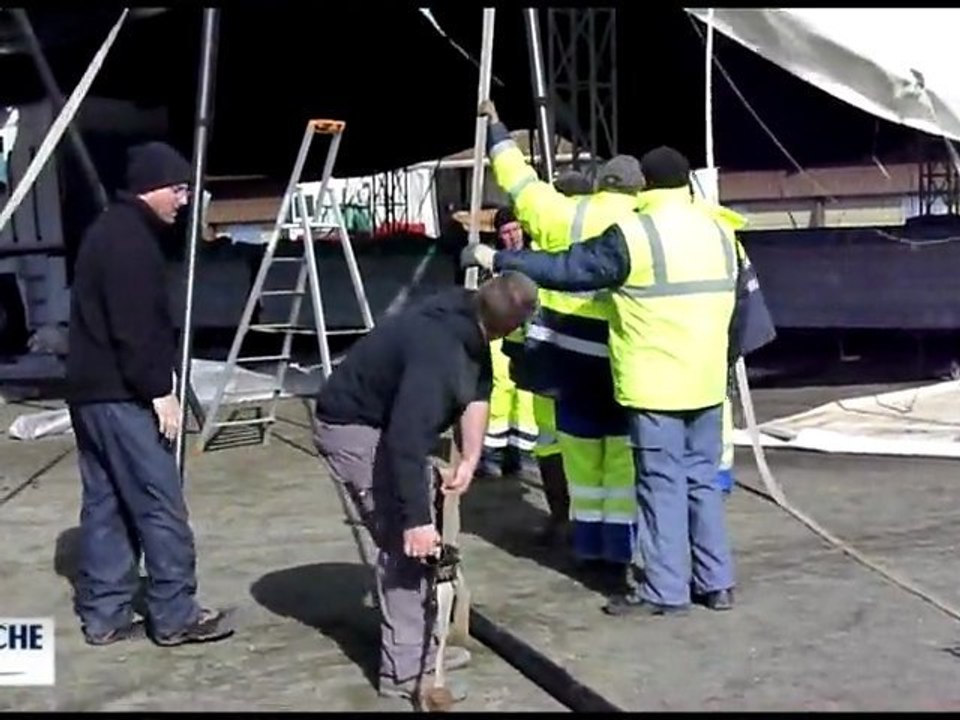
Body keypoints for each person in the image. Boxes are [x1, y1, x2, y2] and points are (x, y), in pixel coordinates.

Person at [463, 145, 775, 615]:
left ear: (645, 186)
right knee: (702, 483)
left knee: (660, 486)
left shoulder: (636, 234)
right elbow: (743, 309)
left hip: (656, 387)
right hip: (708, 384)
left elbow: (565, 270)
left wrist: (497, 259)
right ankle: (716, 583)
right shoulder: (720, 231)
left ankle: (664, 591)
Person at [312, 272, 539, 703]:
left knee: (418, 538)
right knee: (407, 547)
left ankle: (421, 646)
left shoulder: (468, 314)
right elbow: (406, 441)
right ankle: (405, 671)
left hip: (386, 421)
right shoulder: (438, 354)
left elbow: (479, 388)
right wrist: (415, 521)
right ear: (506, 327)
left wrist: (471, 455)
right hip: (353, 427)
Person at [65, 141, 235, 646]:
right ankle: (175, 613)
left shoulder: (108, 233)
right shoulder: (130, 243)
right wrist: (160, 390)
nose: (184, 199)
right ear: (150, 188)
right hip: (123, 395)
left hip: (91, 394)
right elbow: (134, 328)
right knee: (159, 502)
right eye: (178, 190)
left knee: (106, 504)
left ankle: (105, 614)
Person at [480, 99, 640, 585]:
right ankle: (620, 551)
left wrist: (495, 126)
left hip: (564, 362)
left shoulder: (556, 215)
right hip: (623, 359)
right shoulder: (644, 221)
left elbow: (517, 178)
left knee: (580, 459)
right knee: (621, 463)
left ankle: (584, 542)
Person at [478, 208, 539, 478]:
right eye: (505, 231)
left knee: (526, 393)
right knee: (500, 388)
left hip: (528, 332)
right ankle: (492, 451)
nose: (512, 236)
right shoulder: (492, 262)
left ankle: (522, 451)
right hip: (500, 331)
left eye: (515, 229)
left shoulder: (537, 256)